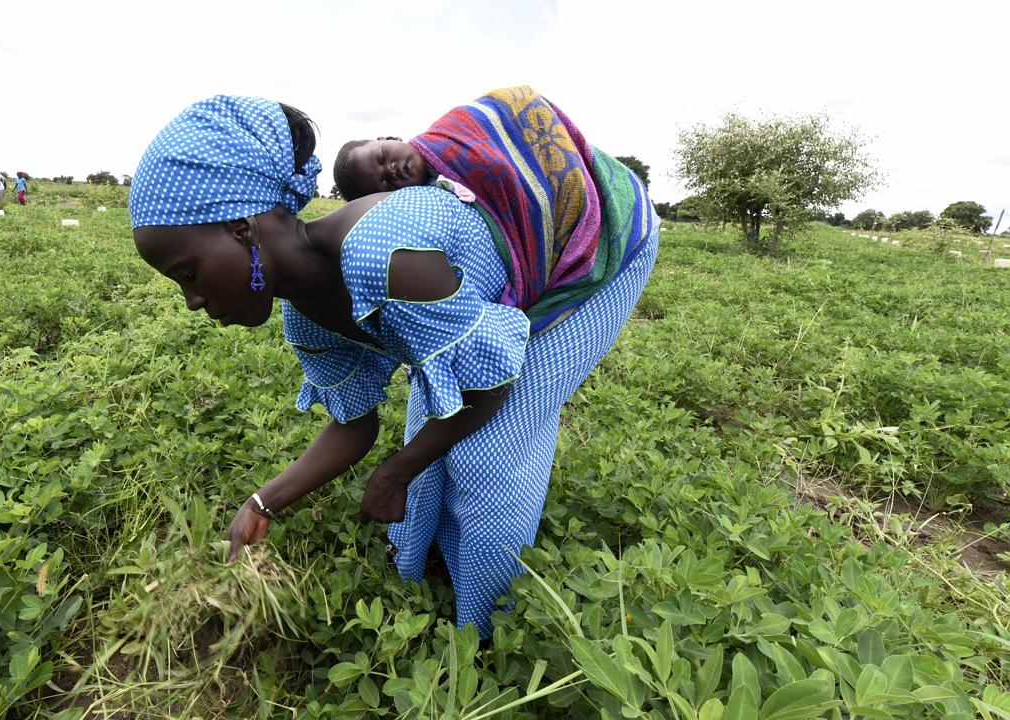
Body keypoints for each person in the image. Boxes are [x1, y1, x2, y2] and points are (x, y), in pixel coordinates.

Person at [128, 95, 658, 639]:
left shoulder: (381, 252)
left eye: (187, 274)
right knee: (435, 421)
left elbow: (489, 385)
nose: (191, 301)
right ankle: (421, 573)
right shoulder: (306, 322)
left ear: (241, 229)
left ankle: (487, 635)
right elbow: (354, 424)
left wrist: (397, 469)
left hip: (592, 247)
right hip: (490, 295)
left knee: (488, 454)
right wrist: (265, 501)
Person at [333, 85, 650, 334]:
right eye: (385, 184)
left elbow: (512, 102)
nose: (393, 170)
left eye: (382, 156)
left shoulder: (456, 127)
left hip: (608, 198)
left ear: (387, 137)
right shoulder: (424, 211)